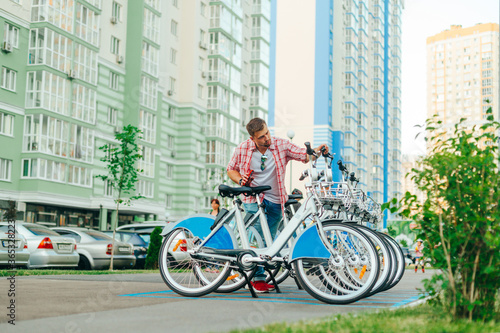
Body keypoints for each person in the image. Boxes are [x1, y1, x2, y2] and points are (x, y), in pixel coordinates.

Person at [227, 117, 329, 293]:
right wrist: (240, 179)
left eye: (267, 133)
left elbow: (304, 156)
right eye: (261, 137)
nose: (266, 138)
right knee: (258, 235)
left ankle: (258, 275)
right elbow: (231, 169)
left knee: (269, 242)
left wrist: (317, 151)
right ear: (252, 138)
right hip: (252, 198)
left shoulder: (280, 145)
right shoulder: (243, 148)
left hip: (275, 200)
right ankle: (257, 279)